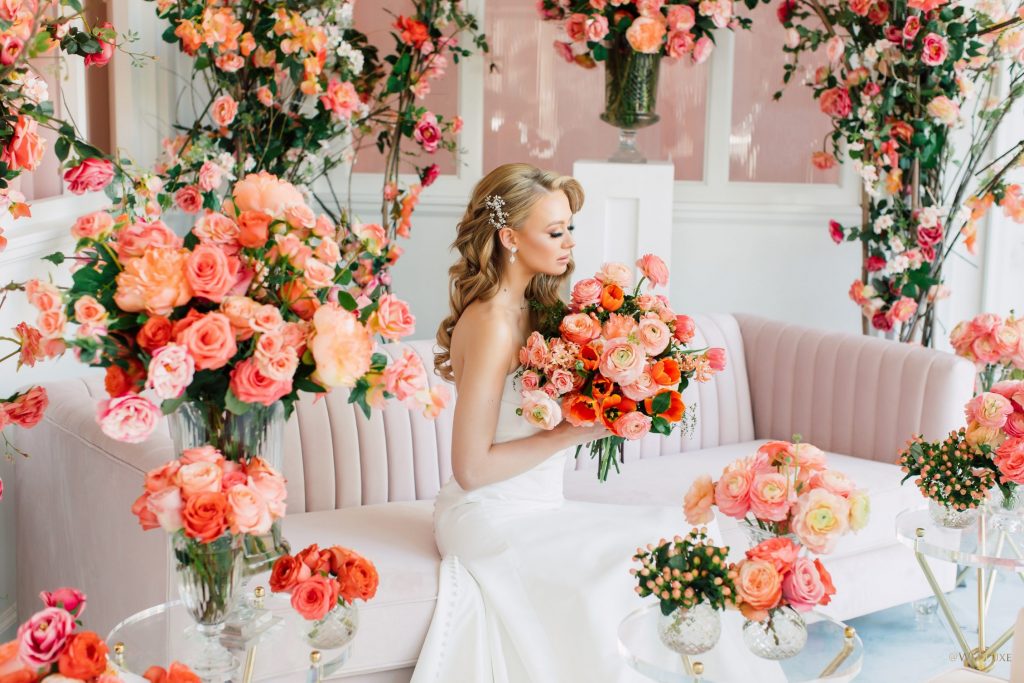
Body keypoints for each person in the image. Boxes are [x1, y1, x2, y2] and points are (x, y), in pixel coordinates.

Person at [409, 163, 684, 682]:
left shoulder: (541, 310)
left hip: (542, 505)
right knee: (595, 587)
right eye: (555, 232)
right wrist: (566, 435)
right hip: (486, 510)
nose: (569, 244)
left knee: (666, 544)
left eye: (570, 229)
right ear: (509, 237)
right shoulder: (491, 323)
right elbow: (470, 469)